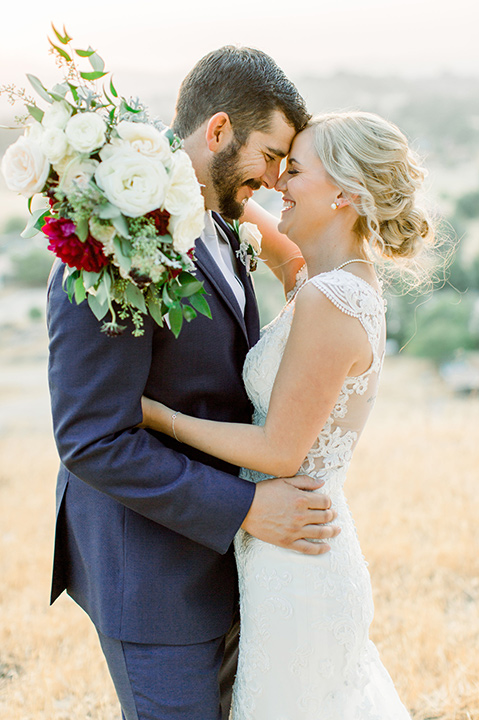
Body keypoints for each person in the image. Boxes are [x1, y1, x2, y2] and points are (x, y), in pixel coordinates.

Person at [46, 47, 339, 720]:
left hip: (226, 570)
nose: (271, 181)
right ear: (218, 132)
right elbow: (93, 441)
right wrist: (245, 510)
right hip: (151, 581)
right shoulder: (117, 242)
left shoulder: (219, 215)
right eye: (270, 156)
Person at [140, 111, 435, 719]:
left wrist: (153, 417)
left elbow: (279, 451)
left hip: (298, 565)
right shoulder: (329, 278)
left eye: (294, 170)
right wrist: (162, 162)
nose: (278, 183)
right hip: (286, 549)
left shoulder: (330, 300)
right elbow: (248, 215)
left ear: (344, 193)